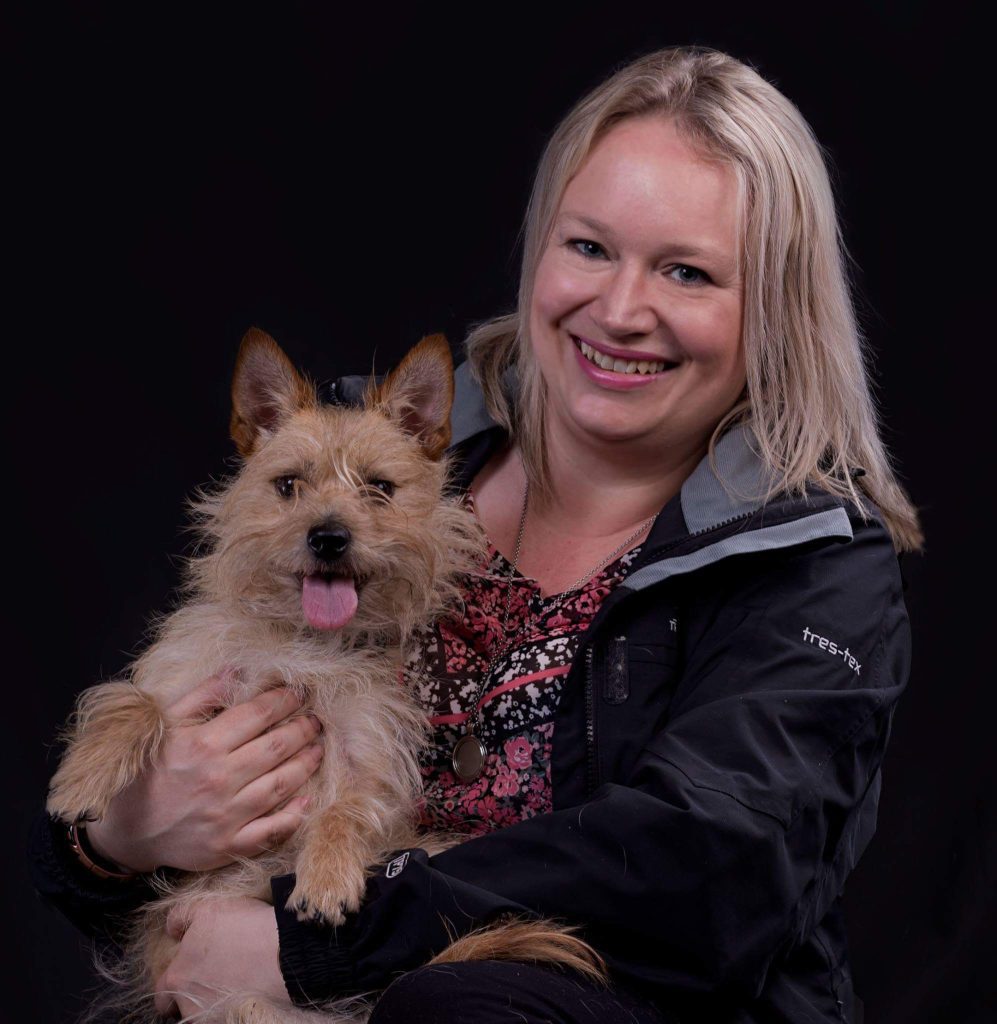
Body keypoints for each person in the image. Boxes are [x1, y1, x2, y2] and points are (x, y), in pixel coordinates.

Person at [29, 45, 921, 1023]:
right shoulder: (367, 461)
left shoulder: (811, 562)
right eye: (588, 246)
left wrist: (319, 944)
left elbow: (709, 868)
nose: (621, 310)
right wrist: (123, 833)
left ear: (775, 311)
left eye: (686, 270)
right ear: (539, 247)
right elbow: (115, 852)